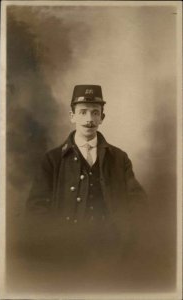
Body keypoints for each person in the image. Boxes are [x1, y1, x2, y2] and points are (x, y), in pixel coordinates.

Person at [26, 85, 147, 263]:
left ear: (102, 117)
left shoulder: (119, 158)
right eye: (83, 112)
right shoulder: (53, 159)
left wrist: (127, 236)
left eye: (95, 113)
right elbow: (37, 208)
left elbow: (138, 202)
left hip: (111, 251)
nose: (89, 119)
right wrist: (52, 242)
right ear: (72, 116)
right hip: (64, 251)